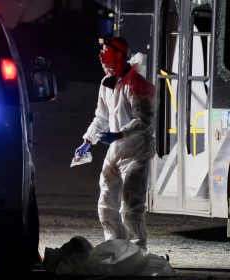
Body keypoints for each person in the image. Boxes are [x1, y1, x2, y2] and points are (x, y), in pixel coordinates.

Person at [75, 36, 155, 250]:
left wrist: (118, 134)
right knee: (106, 205)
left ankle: (137, 251)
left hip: (136, 153)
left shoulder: (137, 85)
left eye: (106, 50)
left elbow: (145, 120)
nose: (101, 55)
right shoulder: (107, 84)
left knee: (131, 207)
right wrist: (87, 141)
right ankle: (115, 248)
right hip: (115, 152)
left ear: (119, 54)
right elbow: (101, 117)